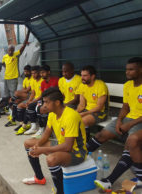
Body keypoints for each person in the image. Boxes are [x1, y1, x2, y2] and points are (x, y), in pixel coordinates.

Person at [87, 57, 142, 191]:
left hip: (139, 121)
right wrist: (118, 120)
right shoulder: (128, 85)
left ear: (140, 70)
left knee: (132, 141)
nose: (127, 72)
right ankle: (79, 158)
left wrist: (129, 125)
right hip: (128, 118)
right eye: (126, 69)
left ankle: (111, 180)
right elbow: (125, 107)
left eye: (131, 69)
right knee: (101, 134)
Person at [22, 87, 87, 194]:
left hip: (76, 152)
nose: (44, 105)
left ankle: (60, 192)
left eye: (46, 102)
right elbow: (46, 134)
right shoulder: (52, 113)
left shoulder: (71, 116)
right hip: (62, 144)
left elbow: (68, 147)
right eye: (43, 102)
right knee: (28, 143)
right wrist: (37, 146)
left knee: (51, 159)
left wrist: (42, 150)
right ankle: (39, 178)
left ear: (57, 102)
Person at [76, 65, 108, 139]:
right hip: (87, 110)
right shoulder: (82, 85)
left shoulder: (100, 85)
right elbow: (81, 105)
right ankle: (79, 141)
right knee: (71, 118)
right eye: (81, 75)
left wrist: (84, 113)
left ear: (92, 76)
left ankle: (84, 143)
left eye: (85, 76)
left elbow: (99, 107)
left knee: (81, 121)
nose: (82, 78)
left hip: (100, 112)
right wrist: (75, 113)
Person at [12, 66, 43, 135]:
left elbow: (42, 95)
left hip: (41, 100)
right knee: (23, 105)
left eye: (35, 73)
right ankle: (26, 125)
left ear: (39, 73)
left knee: (30, 106)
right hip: (35, 100)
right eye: (32, 73)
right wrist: (29, 100)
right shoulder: (34, 81)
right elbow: (33, 93)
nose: (33, 75)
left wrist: (32, 101)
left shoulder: (42, 81)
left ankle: (26, 126)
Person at [30, 65, 59, 137]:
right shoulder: (43, 83)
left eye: (43, 72)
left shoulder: (56, 80)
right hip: (46, 102)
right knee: (39, 108)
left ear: (48, 72)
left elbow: (59, 94)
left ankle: (50, 131)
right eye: (40, 73)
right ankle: (42, 129)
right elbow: (42, 96)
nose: (41, 74)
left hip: (55, 102)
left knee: (44, 109)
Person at [2, 30, 30, 103]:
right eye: (9, 50)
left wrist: (27, 34)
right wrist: (7, 67)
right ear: (7, 50)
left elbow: (23, 46)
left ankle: (13, 109)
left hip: (13, 78)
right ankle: (9, 108)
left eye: (12, 50)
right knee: (6, 94)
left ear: (14, 50)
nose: (11, 52)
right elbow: (3, 64)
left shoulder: (16, 55)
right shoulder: (5, 57)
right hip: (6, 78)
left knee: (13, 95)